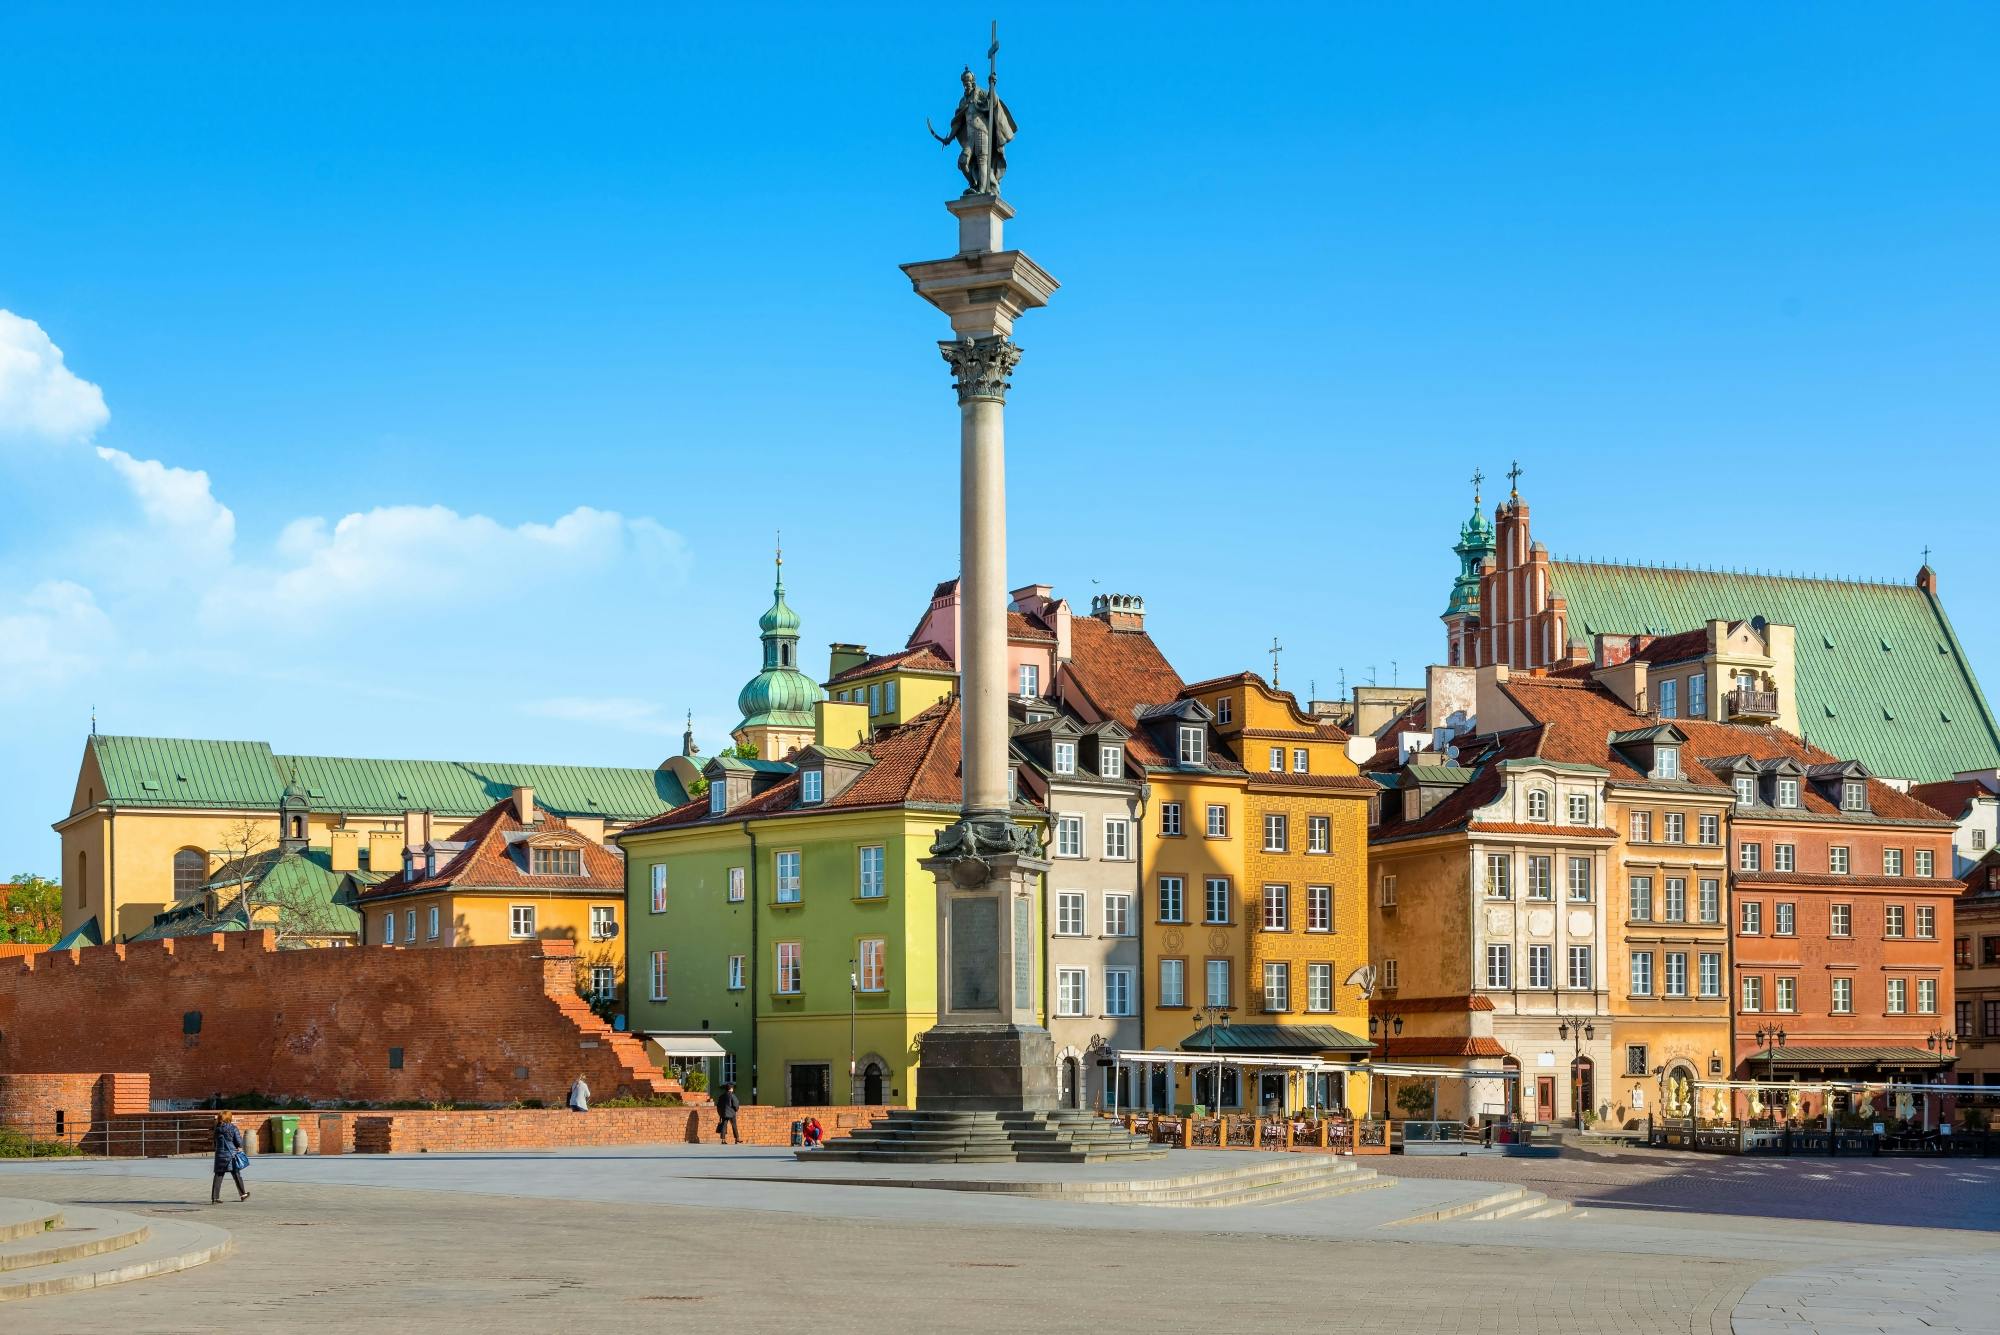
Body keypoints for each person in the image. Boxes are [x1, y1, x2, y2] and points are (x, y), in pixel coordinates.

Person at [212, 1111, 249, 1204]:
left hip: (219, 1155)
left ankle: (215, 1198)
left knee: (218, 1175)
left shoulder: (217, 1129)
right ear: (229, 1118)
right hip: (231, 1155)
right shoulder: (233, 1128)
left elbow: (215, 1143)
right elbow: (239, 1143)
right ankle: (243, 1194)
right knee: (236, 1174)